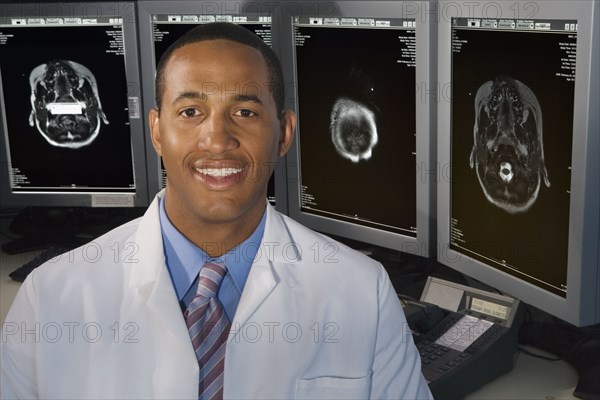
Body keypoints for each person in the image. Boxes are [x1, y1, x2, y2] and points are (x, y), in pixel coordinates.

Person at [1, 22, 432, 399]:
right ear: (156, 130)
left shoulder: (363, 293)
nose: (217, 139)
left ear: (283, 134)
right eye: (191, 112)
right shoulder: (51, 298)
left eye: (244, 111)